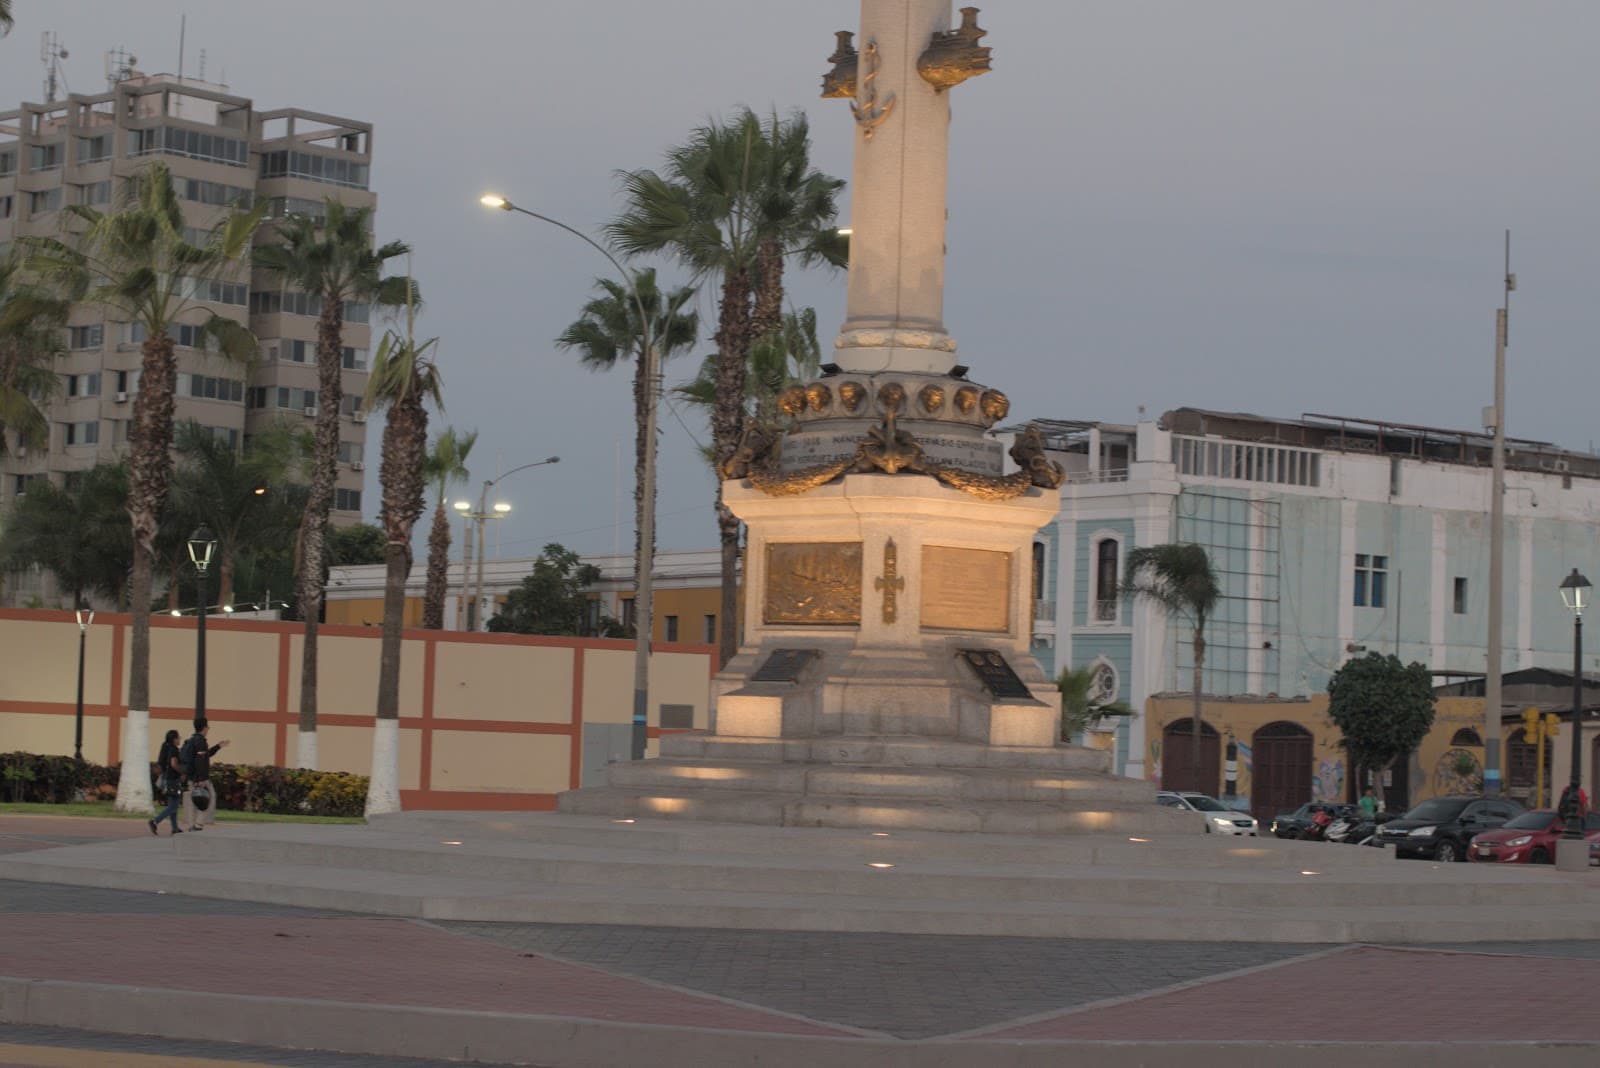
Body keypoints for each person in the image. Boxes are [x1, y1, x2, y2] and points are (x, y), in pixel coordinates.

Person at [179, 719, 228, 832]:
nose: (208, 729)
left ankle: (192, 825)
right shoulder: (200, 741)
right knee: (210, 798)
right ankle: (198, 825)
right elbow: (201, 760)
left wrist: (218, 747)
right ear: (204, 727)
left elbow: (204, 755)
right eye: (207, 727)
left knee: (193, 800)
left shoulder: (192, 740)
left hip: (191, 777)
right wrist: (201, 779)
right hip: (201, 778)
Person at [148, 729, 185, 836]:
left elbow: (162, 763)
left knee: (173, 803)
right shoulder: (174, 750)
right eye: (178, 738)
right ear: (174, 739)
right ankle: (155, 821)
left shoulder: (166, 747)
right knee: (174, 806)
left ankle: (175, 828)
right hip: (173, 779)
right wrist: (182, 772)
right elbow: (174, 764)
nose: (180, 739)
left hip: (168, 778)